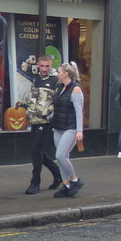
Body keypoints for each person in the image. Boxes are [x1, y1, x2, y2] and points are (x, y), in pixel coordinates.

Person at [24, 54, 62, 194]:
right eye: (42, 66)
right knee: (37, 151)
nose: (44, 69)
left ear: (51, 65)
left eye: (47, 66)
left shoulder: (55, 80)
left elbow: (57, 102)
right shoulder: (36, 78)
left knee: (36, 150)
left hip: (45, 121)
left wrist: (49, 114)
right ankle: (57, 174)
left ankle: (35, 183)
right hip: (34, 120)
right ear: (38, 65)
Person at [51, 62, 85, 197]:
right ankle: (66, 185)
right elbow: (57, 107)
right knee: (62, 158)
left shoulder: (76, 89)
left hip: (71, 128)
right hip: (58, 126)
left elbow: (79, 111)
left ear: (66, 74)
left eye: (58, 72)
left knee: (60, 155)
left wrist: (79, 130)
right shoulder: (60, 87)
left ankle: (75, 180)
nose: (57, 74)